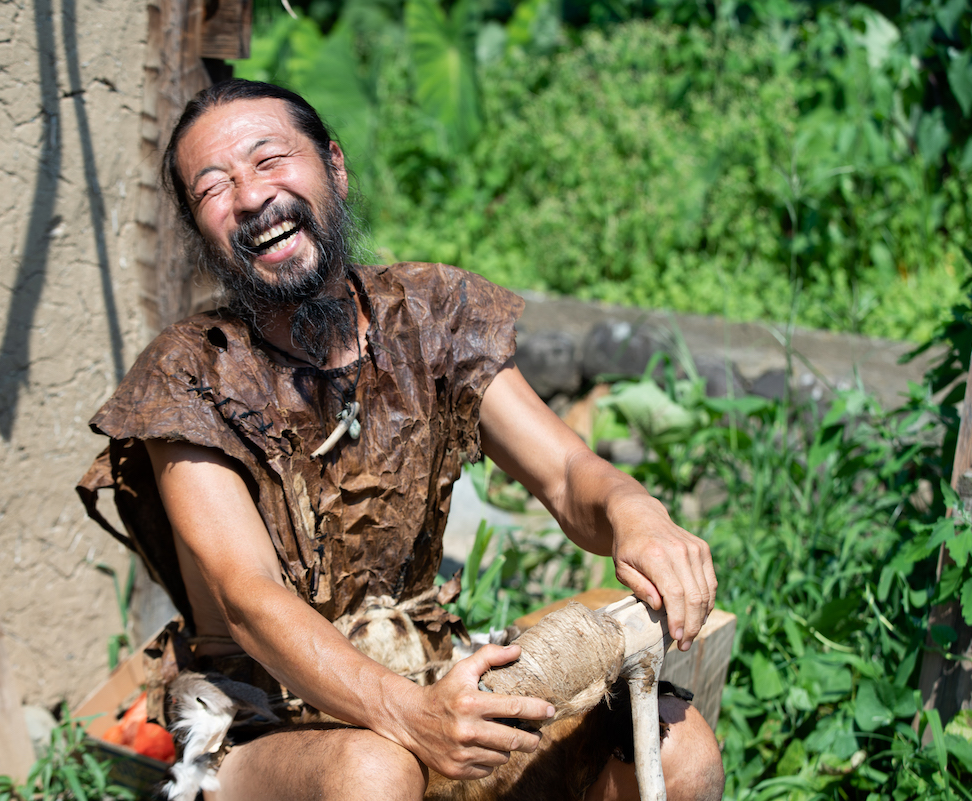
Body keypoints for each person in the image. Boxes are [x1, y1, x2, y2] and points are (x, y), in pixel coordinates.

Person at [80, 79, 724, 801]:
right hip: (265, 724)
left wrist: (636, 512)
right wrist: (410, 717)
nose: (253, 197)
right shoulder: (188, 374)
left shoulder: (430, 316)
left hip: (421, 667)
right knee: (375, 772)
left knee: (683, 749)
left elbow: (568, 472)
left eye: (269, 160)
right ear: (202, 231)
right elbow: (248, 595)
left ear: (334, 165)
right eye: (213, 188)